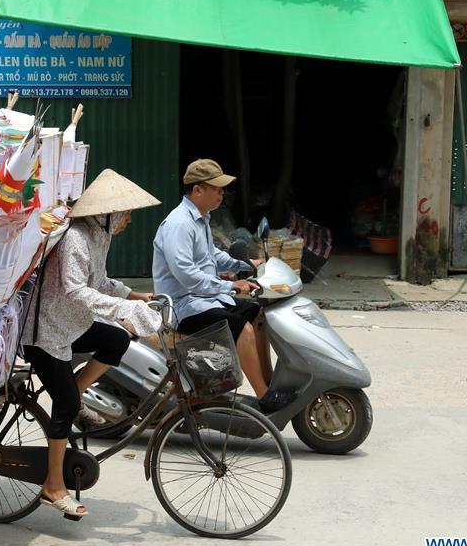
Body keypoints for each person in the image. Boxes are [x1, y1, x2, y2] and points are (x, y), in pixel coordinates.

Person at [21, 169, 162, 519]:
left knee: (116, 340)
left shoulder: (100, 236)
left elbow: (98, 280)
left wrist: (134, 294)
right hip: (46, 331)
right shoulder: (75, 239)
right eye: (125, 213)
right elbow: (75, 289)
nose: (128, 220)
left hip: (72, 323)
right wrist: (123, 308)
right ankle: (53, 487)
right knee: (65, 404)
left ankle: (74, 392)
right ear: (106, 213)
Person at [152, 158, 296, 414]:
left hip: (204, 300)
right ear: (198, 190)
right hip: (184, 307)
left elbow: (211, 257)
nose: (222, 194)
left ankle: (269, 380)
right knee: (243, 329)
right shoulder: (179, 224)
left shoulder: (200, 218)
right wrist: (230, 287)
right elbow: (187, 275)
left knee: (258, 315)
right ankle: (264, 397)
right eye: (217, 188)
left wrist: (246, 263)